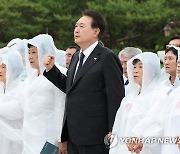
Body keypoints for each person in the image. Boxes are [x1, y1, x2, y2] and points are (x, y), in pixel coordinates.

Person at [43, 10, 125, 154]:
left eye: (82, 26)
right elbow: (71, 88)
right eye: (76, 26)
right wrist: (52, 70)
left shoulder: (106, 57)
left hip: (96, 136)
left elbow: (115, 96)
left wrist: (114, 129)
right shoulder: (76, 57)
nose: (76, 30)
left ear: (96, 31)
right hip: (73, 134)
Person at [109, 52, 168, 154]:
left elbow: (158, 124)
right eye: (134, 67)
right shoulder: (128, 98)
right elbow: (117, 127)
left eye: (141, 67)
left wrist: (142, 140)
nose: (135, 71)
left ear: (151, 70)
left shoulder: (160, 95)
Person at [21, 34, 66, 154]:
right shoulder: (30, 77)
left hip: (48, 136)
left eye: (34, 52)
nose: (30, 56)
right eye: (29, 52)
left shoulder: (58, 73)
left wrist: (61, 138)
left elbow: (61, 107)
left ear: (45, 51)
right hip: (29, 136)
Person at [0, 50, 24, 154]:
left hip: (15, 140)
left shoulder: (20, 87)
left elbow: (17, 110)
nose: (0, 70)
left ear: (14, 69)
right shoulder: (1, 87)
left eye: (4, 67)